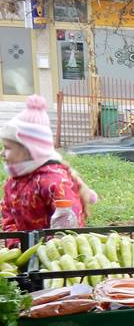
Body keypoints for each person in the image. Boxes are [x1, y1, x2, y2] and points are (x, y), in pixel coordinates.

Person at [1, 95, 98, 231]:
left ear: (30, 149)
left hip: (53, 250)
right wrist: (16, 245)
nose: (2, 153)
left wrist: (44, 249)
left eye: (7, 148)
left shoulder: (54, 181)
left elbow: (68, 229)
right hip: (24, 250)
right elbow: (8, 218)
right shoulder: (12, 183)